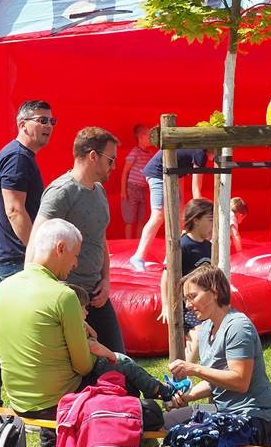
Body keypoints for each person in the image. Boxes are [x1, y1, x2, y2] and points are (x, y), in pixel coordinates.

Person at [0, 219, 139, 447]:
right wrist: (98, 348)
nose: (75, 264)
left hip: (20, 398)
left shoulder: (5, 287)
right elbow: (84, 366)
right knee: (126, 387)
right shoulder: (63, 296)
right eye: (74, 256)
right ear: (60, 248)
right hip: (56, 403)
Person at [167, 265, 271, 447]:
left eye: (193, 296)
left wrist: (194, 368)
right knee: (174, 425)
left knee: (194, 433)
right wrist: (185, 398)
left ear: (215, 291)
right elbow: (217, 381)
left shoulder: (238, 326)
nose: (188, 304)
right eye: (186, 298)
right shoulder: (207, 327)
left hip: (256, 420)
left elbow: (239, 381)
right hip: (227, 414)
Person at [0, 99, 54, 406]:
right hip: (14, 255)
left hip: (7, 253)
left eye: (52, 121)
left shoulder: (16, 156)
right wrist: (34, 253)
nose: (49, 127)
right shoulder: (18, 157)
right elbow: (14, 210)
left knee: (7, 327)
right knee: (10, 327)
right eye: (42, 120)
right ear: (23, 124)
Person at [29, 126, 125, 353]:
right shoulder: (61, 192)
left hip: (95, 293)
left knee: (118, 357)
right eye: (111, 160)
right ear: (93, 156)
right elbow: (36, 244)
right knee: (79, 367)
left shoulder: (99, 191)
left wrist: (106, 279)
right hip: (67, 293)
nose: (114, 166)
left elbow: (100, 238)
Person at [66, 283, 178, 405]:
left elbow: (94, 336)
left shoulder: (72, 324)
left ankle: (151, 391)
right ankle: (158, 388)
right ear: (74, 309)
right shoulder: (74, 328)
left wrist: (86, 325)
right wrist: (111, 355)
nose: (87, 312)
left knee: (126, 375)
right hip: (89, 370)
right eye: (83, 308)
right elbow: (93, 346)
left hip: (87, 369)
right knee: (123, 362)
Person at [129, 148, 207, 271]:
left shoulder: (193, 152)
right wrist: (203, 213)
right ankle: (138, 256)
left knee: (179, 217)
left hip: (172, 175)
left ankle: (170, 257)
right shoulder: (200, 153)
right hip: (158, 173)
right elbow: (196, 189)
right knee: (158, 215)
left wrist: (181, 207)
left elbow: (180, 173)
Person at [159, 198, 215, 361]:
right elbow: (166, 276)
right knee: (197, 338)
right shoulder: (182, 245)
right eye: (210, 220)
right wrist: (166, 305)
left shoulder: (208, 246)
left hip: (205, 304)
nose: (213, 225)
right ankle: (183, 378)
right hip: (186, 306)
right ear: (196, 220)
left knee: (209, 339)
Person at [120, 124, 155, 240]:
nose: (150, 139)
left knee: (141, 219)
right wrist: (123, 191)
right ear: (140, 137)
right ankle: (128, 242)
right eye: (149, 136)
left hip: (143, 189)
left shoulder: (150, 154)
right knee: (129, 219)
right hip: (132, 188)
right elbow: (125, 172)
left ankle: (138, 242)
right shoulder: (135, 152)